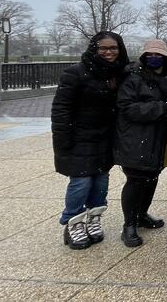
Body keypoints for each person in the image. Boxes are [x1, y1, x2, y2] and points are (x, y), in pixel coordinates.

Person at [52, 31, 129, 249]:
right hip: (80, 137)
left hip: (106, 137)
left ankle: (94, 217)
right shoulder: (75, 73)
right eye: (103, 48)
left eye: (113, 48)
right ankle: (73, 222)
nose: (108, 52)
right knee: (81, 181)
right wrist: (62, 140)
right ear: (94, 49)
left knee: (101, 181)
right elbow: (61, 109)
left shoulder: (120, 73)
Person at [114, 39, 167, 248]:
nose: (154, 57)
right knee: (135, 180)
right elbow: (127, 108)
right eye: (150, 54)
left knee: (151, 177)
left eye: (158, 55)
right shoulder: (133, 77)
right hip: (136, 137)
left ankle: (141, 214)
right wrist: (161, 108)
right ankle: (129, 225)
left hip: (158, 136)